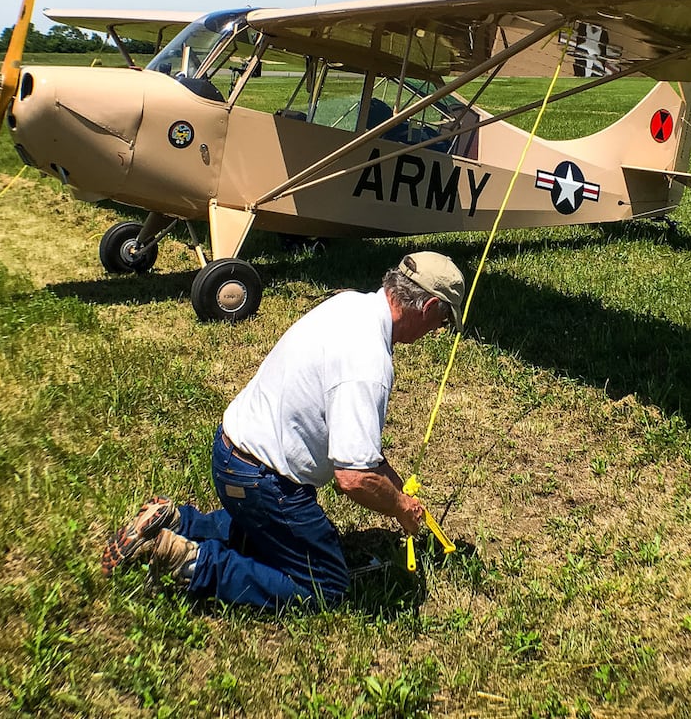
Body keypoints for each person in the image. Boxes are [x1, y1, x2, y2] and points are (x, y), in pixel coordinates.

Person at [100, 250, 465, 610]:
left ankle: (178, 522)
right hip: (262, 481)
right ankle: (192, 563)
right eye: (444, 320)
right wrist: (400, 507)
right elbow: (352, 477)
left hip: (231, 453)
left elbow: (357, 447)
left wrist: (395, 487)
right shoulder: (368, 364)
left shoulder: (351, 305)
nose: (438, 330)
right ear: (429, 306)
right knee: (325, 585)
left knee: (265, 534)